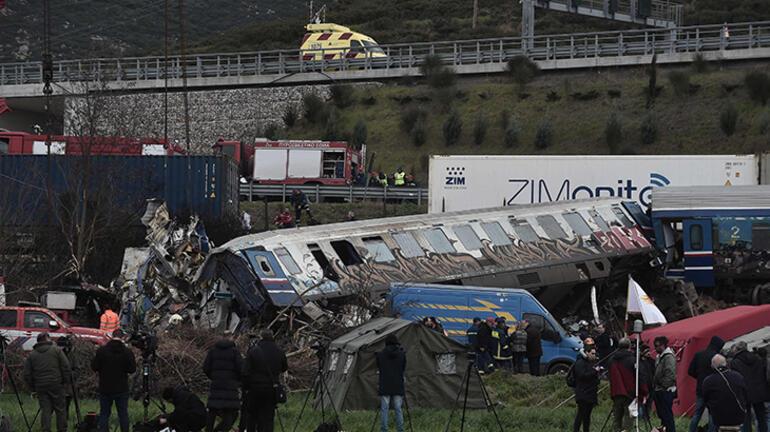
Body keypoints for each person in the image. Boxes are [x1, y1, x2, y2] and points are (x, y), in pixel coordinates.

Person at [22, 333, 71, 432]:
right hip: (56, 384)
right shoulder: (57, 351)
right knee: (60, 409)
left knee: (45, 410)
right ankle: (62, 429)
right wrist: (65, 381)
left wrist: (33, 387)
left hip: (41, 386)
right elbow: (66, 366)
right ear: (46, 339)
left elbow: (27, 374)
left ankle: (46, 429)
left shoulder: (32, 355)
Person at [242, 329, 288, 432]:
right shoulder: (279, 351)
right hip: (271, 388)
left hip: (255, 389)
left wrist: (246, 387)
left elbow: (245, 372)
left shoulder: (253, 351)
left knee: (252, 417)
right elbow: (284, 367)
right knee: (268, 418)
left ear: (261, 337)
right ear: (273, 337)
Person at [91, 329, 136, 432]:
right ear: (122, 338)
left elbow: (94, 367)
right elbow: (132, 369)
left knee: (104, 414)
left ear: (111, 336)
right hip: (121, 388)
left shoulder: (102, 351)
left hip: (105, 387)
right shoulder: (127, 352)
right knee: (123, 414)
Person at [203, 335, 243, 432]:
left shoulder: (212, 351)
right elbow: (241, 369)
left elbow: (206, 368)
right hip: (231, 387)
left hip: (216, 385)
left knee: (212, 410)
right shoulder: (235, 352)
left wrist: (214, 377)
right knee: (231, 412)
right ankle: (220, 430)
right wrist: (236, 380)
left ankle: (209, 430)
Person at [689, 336, 726, 432]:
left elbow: (690, 371)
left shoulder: (698, 354)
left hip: (700, 388)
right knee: (712, 414)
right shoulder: (717, 357)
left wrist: (699, 377)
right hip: (713, 390)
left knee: (697, 414)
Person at [729, 342, 768, 432]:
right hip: (759, 392)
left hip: (744, 392)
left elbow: (735, 379)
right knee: (761, 417)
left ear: (737, 350)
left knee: (746, 418)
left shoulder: (735, 362)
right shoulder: (757, 358)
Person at [703, 354, 748, 430]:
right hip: (738, 416)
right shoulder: (738, 376)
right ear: (726, 364)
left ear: (712, 366)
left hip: (718, 417)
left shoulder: (708, 381)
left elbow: (706, 399)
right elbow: (745, 395)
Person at [376, 334, 407, 432]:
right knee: (398, 408)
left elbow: (379, 367)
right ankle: (400, 429)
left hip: (385, 383)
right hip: (398, 384)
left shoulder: (380, 355)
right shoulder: (402, 354)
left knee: (384, 409)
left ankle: (384, 429)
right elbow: (403, 368)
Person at [609, 338, 636, 432]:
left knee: (617, 417)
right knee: (628, 417)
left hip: (616, 391)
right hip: (630, 392)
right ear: (629, 347)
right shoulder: (632, 359)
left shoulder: (612, 359)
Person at [573, 346, 600, 432]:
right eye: (592, 353)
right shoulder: (580, 363)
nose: (594, 355)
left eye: (595, 354)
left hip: (590, 393)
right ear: (586, 352)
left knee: (587, 416)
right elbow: (582, 376)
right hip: (583, 393)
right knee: (581, 415)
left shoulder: (592, 363)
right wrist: (594, 371)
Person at [654, 336, 677, 432]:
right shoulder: (660, 357)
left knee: (667, 415)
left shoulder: (668, 357)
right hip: (659, 389)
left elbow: (670, 374)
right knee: (662, 415)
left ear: (663, 345)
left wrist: (663, 386)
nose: (655, 348)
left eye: (657, 346)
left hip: (666, 390)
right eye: (655, 346)